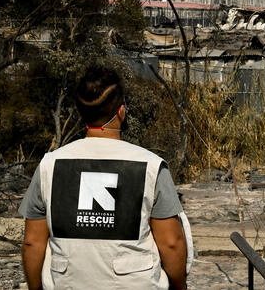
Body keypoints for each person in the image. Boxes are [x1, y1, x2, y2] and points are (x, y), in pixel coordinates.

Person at [19, 65, 188, 290]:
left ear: (81, 112)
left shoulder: (48, 165)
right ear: (121, 111)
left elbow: (32, 242)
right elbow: (172, 244)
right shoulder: (151, 166)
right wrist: (180, 287)